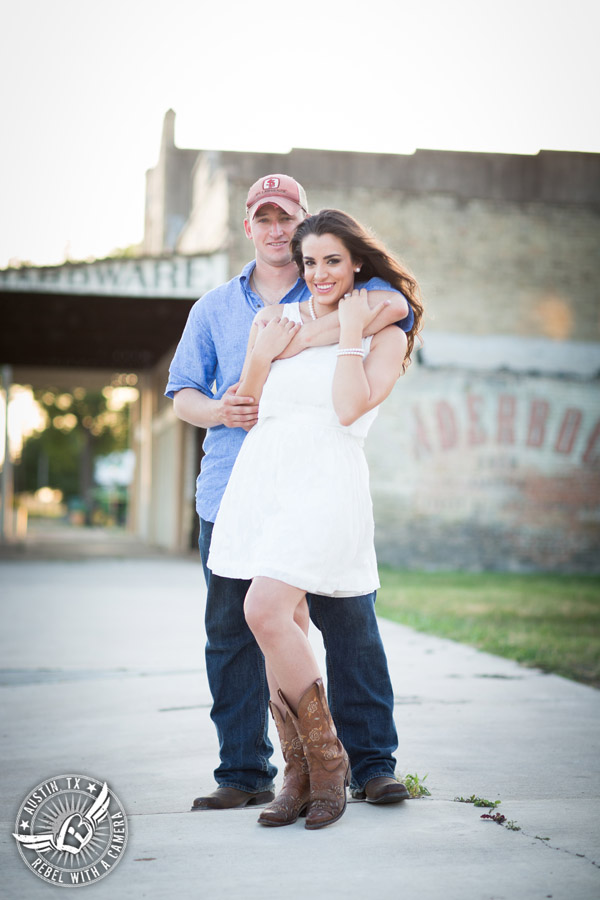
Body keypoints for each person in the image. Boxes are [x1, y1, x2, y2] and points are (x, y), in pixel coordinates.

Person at [165, 174, 419, 815]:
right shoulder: (215, 308)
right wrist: (226, 407)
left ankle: (370, 765)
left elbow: (396, 306)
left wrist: (305, 336)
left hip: (316, 483)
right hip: (235, 485)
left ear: (306, 223)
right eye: (265, 219)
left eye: (289, 220)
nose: (278, 231)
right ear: (248, 227)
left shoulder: (339, 288)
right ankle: (249, 772)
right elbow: (188, 395)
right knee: (235, 634)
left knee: (348, 625)